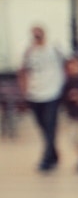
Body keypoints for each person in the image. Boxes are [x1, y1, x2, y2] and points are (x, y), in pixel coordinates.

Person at [18, 24, 67, 173]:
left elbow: (67, 65)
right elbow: (23, 71)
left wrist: (63, 85)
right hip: (35, 94)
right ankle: (53, 153)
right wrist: (24, 91)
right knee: (42, 126)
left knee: (51, 124)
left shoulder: (54, 48)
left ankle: (46, 159)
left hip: (52, 92)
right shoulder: (28, 51)